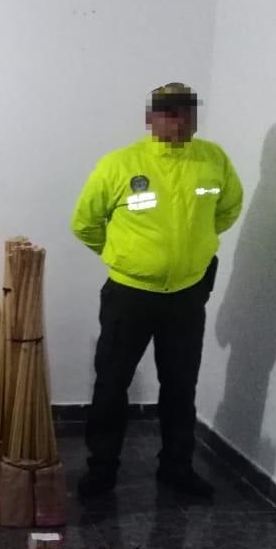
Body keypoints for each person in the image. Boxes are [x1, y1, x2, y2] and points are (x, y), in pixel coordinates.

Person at [71, 84, 243, 500]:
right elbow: (85, 223)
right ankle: (102, 470)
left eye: (186, 112)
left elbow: (228, 210)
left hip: (187, 295)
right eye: (168, 112)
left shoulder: (213, 160)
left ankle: (177, 468)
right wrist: (124, 257)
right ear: (151, 118)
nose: (178, 120)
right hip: (129, 295)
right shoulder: (120, 164)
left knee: (181, 385)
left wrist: (193, 252)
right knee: (112, 384)